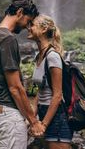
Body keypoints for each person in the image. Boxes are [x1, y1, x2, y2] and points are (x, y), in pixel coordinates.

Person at [0, 0, 45, 149]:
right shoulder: (8, 39)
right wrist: (34, 122)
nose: (27, 27)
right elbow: (15, 87)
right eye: (28, 20)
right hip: (9, 119)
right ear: (19, 12)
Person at [28, 15, 73, 149]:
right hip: (45, 113)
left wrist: (44, 124)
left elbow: (58, 95)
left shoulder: (52, 56)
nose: (29, 28)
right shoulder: (39, 56)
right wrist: (33, 118)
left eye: (33, 25)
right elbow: (41, 91)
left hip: (56, 116)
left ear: (44, 29)